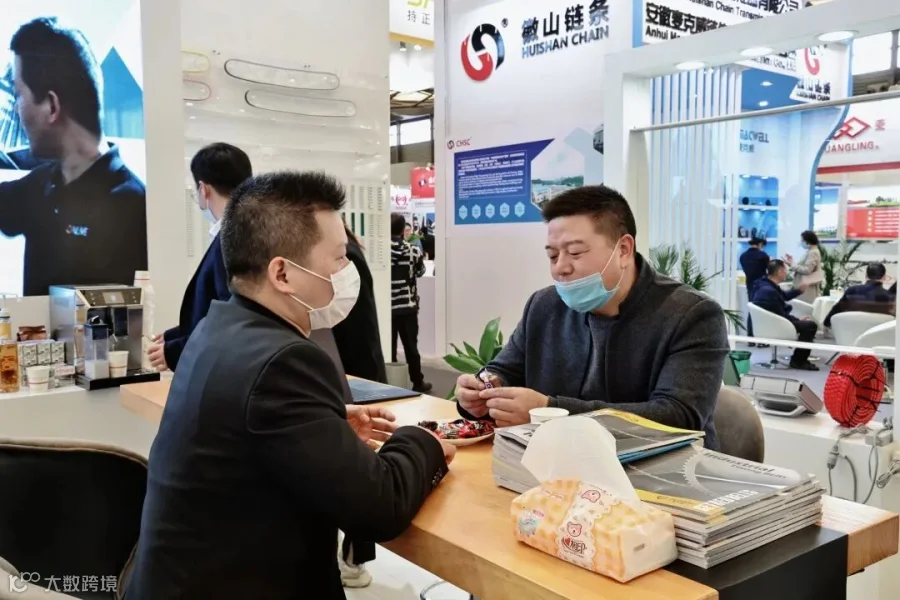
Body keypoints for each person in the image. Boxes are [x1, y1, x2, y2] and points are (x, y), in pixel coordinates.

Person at [127, 171, 455, 600]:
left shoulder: (217, 327)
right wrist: (423, 441)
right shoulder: (285, 361)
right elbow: (381, 507)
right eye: (339, 258)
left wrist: (326, 426)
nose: (347, 271)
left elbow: (258, 432)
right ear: (282, 273)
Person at [454, 185, 729, 448]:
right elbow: (504, 371)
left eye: (575, 252)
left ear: (623, 250)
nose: (561, 268)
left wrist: (551, 411)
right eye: (552, 256)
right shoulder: (544, 306)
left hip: (661, 470)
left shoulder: (691, 315)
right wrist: (481, 390)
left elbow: (677, 417)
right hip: (558, 462)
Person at [0, 17, 146, 296]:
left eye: (19, 94)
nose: (16, 109)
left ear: (51, 106)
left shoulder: (133, 204)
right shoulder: (39, 185)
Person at [147, 143, 252, 371]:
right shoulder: (247, 231)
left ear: (203, 189)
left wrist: (177, 350)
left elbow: (232, 318)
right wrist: (176, 335)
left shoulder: (232, 239)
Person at [331, 225, 386, 588]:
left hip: (354, 377)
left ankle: (355, 556)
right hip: (349, 374)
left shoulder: (346, 256)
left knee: (357, 466)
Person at [752, 259, 818, 371]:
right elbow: (780, 315)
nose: (786, 273)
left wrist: (799, 291)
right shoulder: (769, 291)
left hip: (769, 322)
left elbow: (783, 297)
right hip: (775, 325)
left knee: (807, 324)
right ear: (779, 272)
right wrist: (798, 320)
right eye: (785, 270)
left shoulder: (765, 284)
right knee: (810, 326)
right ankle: (798, 361)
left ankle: (799, 359)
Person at [391, 214, 432, 393]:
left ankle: (389, 381)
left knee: (389, 347)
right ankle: (417, 381)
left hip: (387, 307)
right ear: (403, 230)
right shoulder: (413, 250)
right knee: (411, 347)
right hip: (407, 306)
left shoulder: (380, 252)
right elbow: (420, 271)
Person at [824, 262, 896, 328]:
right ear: (884, 277)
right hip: (879, 335)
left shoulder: (852, 291)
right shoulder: (890, 297)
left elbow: (837, 309)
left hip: (850, 333)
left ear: (866, 275)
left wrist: (826, 323)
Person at [739, 237, 769, 340]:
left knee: (752, 310)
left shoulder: (743, 256)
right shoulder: (763, 256)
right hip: (762, 286)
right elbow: (768, 270)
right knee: (762, 310)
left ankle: (750, 337)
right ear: (760, 244)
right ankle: (761, 338)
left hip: (750, 284)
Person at [784, 231, 823, 303]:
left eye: (802, 240)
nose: (801, 242)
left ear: (808, 241)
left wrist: (793, 265)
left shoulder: (813, 252)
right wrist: (791, 262)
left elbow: (807, 270)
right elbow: (803, 266)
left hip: (807, 287)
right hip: (803, 285)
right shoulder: (810, 251)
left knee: (803, 306)